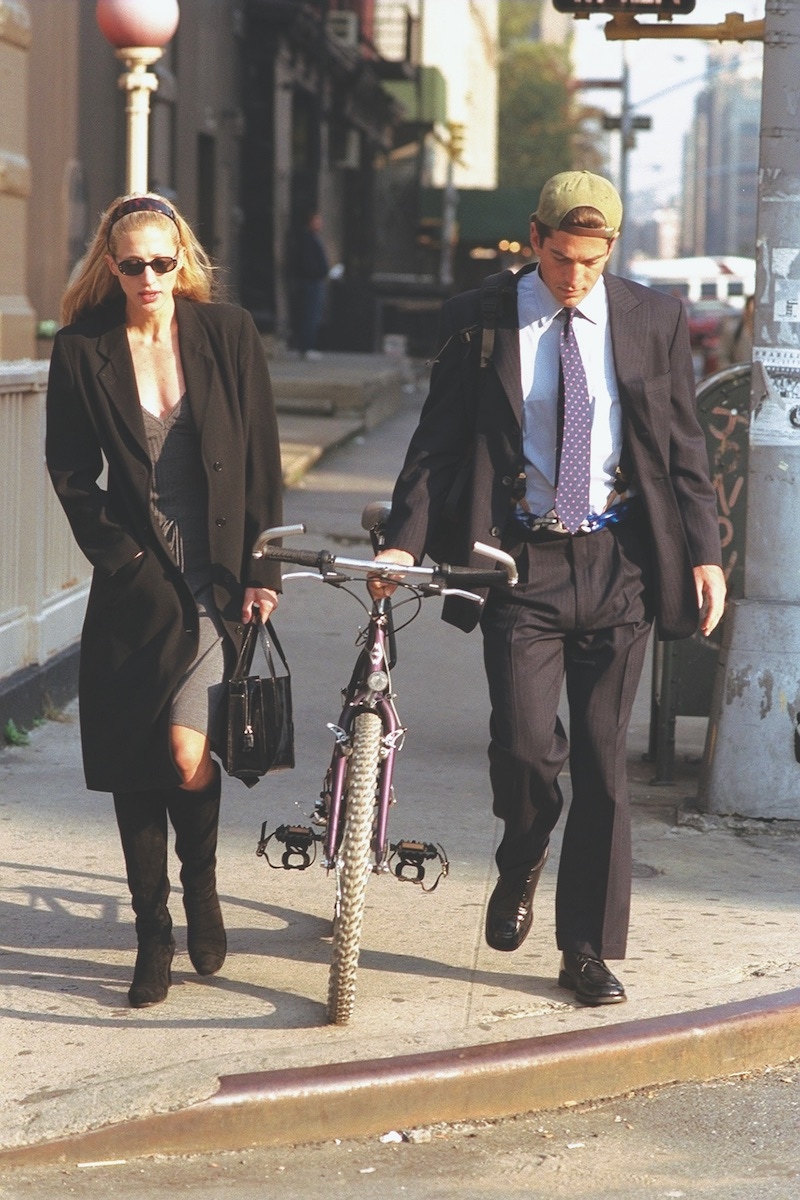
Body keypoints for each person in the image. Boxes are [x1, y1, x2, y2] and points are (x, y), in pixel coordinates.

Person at [370, 171, 726, 1006]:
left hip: (620, 561)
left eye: (592, 264)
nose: (575, 278)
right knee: (526, 748)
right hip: (519, 563)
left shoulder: (653, 319)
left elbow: (682, 448)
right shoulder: (480, 321)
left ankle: (587, 951)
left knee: (603, 763)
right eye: (562, 258)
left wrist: (706, 552)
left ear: (612, 252)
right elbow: (440, 444)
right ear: (535, 240)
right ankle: (524, 846)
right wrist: (400, 540)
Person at [45, 193, 283, 1008]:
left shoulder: (227, 334)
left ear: (184, 259)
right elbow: (71, 472)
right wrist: (117, 558)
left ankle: (202, 887)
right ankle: (154, 932)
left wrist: (263, 568)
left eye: (163, 261)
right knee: (132, 763)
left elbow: (261, 457)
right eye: (134, 264)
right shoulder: (83, 350)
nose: (150, 277)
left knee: (186, 755)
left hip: (216, 577)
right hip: (136, 580)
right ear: (110, 268)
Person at [288, 209, 330, 359]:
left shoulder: (314, 238)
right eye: (317, 220)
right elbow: (307, 263)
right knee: (309, 315)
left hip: (315, 281)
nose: (320, 223)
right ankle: (306, 347)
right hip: (310, 282)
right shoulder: (306, 239)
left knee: (314, 314)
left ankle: (308, 345)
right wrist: (317, 272)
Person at [718, 294, 754, 367]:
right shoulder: (733, 329)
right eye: (752, 314)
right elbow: (722, 356)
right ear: (746, 312)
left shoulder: (768, 334)